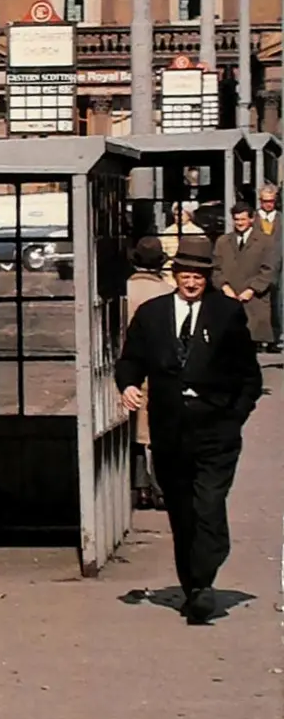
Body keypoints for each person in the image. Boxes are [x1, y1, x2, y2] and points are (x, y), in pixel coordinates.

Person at [115, 234, 263, 624]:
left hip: (216, 429)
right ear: (174, 274)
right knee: (181, 510)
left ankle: (203, 581)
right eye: (185, 274)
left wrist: (234, 416)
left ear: (207, 277)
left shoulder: (226, 313)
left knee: (209, 505)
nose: (192, 281)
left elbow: (249, 375)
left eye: (198, 275)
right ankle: (194, 585)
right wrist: (128, 385)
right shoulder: (151, 313)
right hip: (169, 430)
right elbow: (131, 360)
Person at [125, 235, 174, 509]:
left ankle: (139, 487)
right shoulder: (166, 293)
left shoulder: (123, 290)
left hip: (127, 367)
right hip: (157, 368)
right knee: (157, 432)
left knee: (132, 431)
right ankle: (160, 488)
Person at [213, 201, 277, 351]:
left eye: (242, 219)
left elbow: (269, 269)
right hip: (228, 298)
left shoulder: (265, 241)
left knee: (251, 345)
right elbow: (216, 268)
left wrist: (251, 290)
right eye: (236, 219)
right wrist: (224, 287)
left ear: (251, 219)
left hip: (254, 300)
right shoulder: (223, 241)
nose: (239, 223)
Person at [257, 185, 281, 350]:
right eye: (265, 201)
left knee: (278, 302)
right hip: (258, 264)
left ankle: (275, 337)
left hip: (280, 267)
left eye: (271, 201)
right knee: (259, 302)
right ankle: (259, 338)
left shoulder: (281, 219)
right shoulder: (253, 219)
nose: (268, 205)